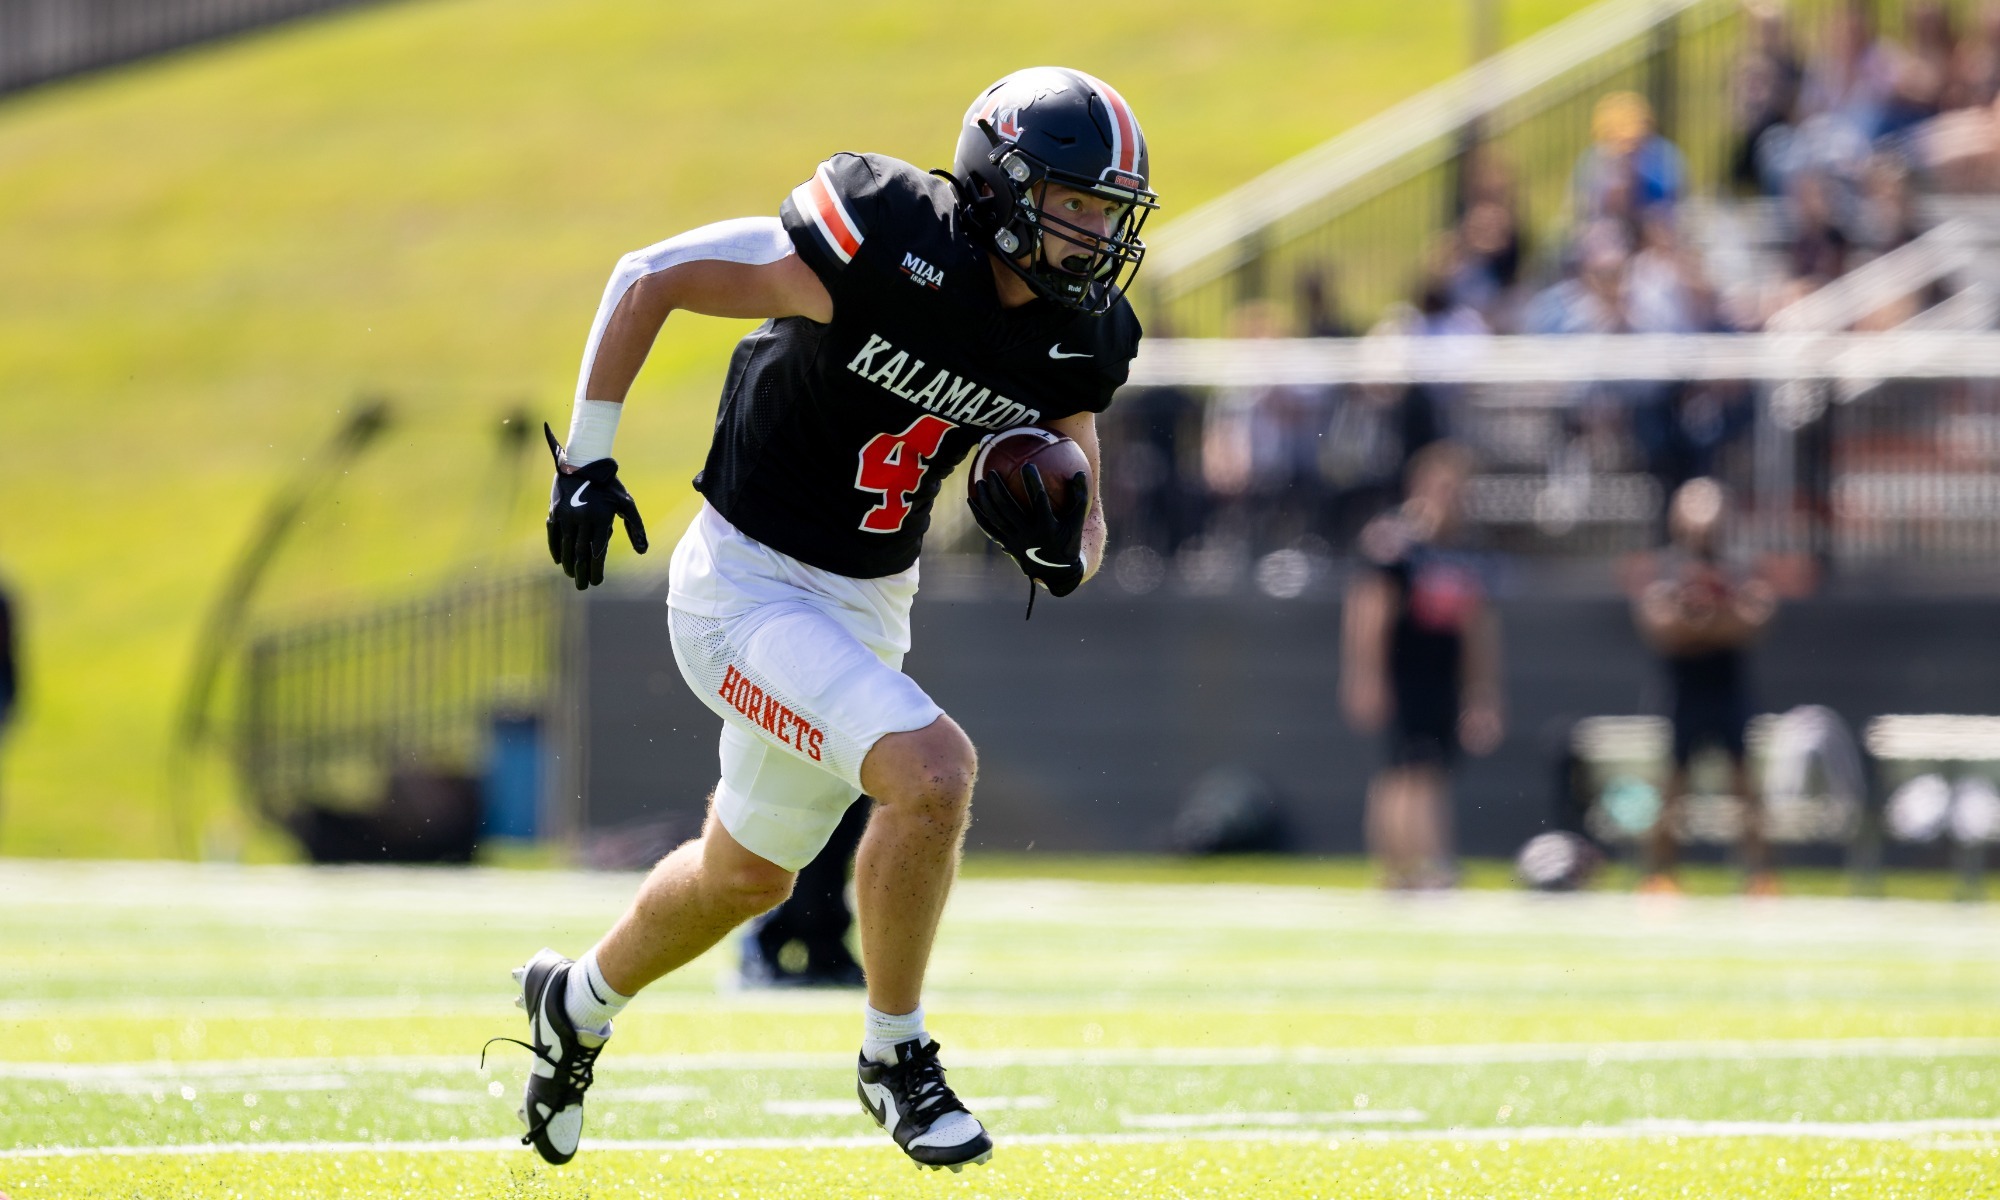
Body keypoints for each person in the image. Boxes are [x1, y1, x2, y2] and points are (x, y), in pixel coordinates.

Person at [491, 67, 1154, 1173]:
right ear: (1001, 186)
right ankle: (895, 1056)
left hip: (866, 603)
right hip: (743, 585)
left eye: (1108, 211)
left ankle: (577, 1000)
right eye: (1075, 202)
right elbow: (646, 274)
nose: (1094, 234)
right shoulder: (890, 240)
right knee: (932, 773)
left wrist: (1061, 549)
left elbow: (1086, 517)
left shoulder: (1077, 335)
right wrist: (589, 456)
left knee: (743, 876)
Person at [1340, 442, 1503, 890]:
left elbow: (1479, 628)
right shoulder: (1395, 545)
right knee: (1407, 770)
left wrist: (1482, 692)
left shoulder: (1467, 551)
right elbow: (1369, 612)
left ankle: (1412, 868)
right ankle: (1417, 864)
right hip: (1403, 672)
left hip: (1443, 674)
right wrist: (1366, 676)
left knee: (1424, 770)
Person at [1631, 478, 1778, 896]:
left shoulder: (1741, 567)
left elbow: (1754, 622)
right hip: (1681, 692)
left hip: (1730, 689)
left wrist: (1703, 621)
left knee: (1746, 789)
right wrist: (1712, 623)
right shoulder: (1664, 568)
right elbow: (1662, 628)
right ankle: (1660, 878)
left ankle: (1761, 879)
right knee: (1671, 791)